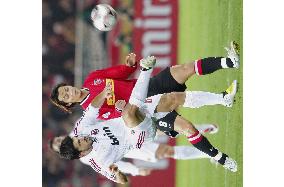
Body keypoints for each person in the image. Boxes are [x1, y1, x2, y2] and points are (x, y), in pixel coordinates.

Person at [57, 57, 237, 183]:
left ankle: (223, 108)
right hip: (140, 136)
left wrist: (104, 93)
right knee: (128, 113)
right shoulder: (99, 162)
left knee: (175, 100)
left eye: (78, 138)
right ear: (81, 154)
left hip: (139, 111)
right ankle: (146, 70)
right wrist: (117, 173)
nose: (82, 138)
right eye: (81, 143)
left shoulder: (82, 128)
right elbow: (122, 180)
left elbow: (93, 108)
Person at [50, 41, 239, 137]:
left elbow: (120, 72)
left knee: (183, 69)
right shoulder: (91, 111)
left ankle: (230, 62)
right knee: (183, 120)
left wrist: (130, 65)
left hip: (146, 86)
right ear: (68, 103)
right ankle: (223, 100)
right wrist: (119, 107)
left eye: (66, 89)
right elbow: (119, 118)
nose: (69, 92)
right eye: (65, 96)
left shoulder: (92, 79)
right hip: (144, 108)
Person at [50, 124, 218, 177]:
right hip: (131, 148)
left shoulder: (79, 129)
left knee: (165, 129)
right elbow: (112, 165)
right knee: (166, 151)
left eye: (58, 139)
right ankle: (207, 153)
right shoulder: (84, 157)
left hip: (126, 128)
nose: (60, 141)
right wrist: (135, 170)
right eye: (59, 145)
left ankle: (202, 129)